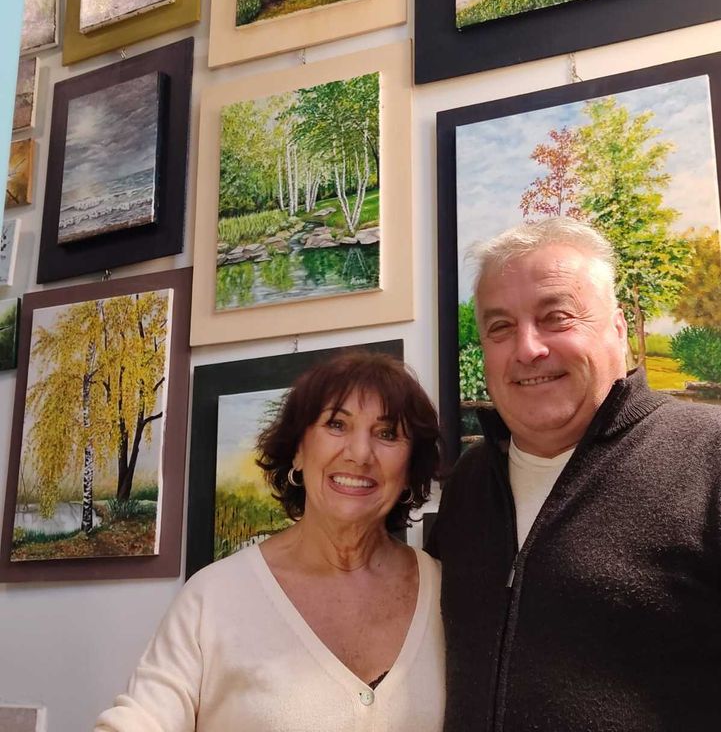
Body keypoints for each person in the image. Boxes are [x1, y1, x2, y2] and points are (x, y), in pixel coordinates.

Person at [427, 217, 721, 731]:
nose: (527, 348)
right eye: (500, 327)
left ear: (619, 328)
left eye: (556, 317)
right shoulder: (469, 482)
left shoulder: (710, 455)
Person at [96, 351, 445, 732]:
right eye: (337, 425)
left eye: (387, 433)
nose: (360, 454)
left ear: (410, 468)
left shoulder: (447, 592)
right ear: (298, 450)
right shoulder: (213, 598)